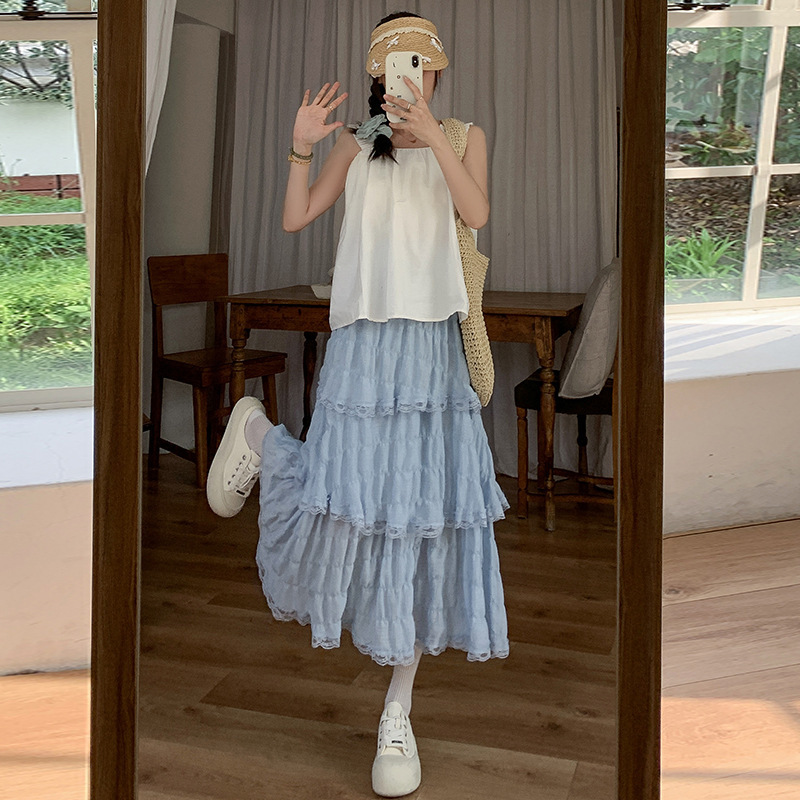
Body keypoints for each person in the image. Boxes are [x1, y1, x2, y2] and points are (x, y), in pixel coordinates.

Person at [205, 12, 509, 798]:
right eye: (397, 64)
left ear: (437, 70)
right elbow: (294, 217)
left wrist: (432, 135)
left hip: (432, 352)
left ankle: (396, 711)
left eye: (423, 64)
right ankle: (263, 440)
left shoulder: (464, 136)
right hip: (363, 347)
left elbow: (476, 214)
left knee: (422, 518)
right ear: (378, 71)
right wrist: (300, 146)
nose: (411, 76)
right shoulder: (354, 143)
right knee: (344, 500)